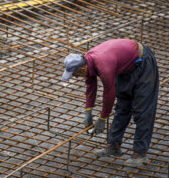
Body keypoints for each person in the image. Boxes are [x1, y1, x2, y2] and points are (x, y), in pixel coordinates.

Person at [62, 39, 159, 167]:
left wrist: (102, 118)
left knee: (142, 111)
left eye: (75, 74)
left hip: (142, 63)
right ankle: (114, 145)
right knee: (122, 106)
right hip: (124, 67)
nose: (75, 77)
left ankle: (140, 153)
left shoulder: (103, 66)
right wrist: (88, 113)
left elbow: (109, 94)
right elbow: (90, 85)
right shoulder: (87, 60)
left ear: (83, 68)